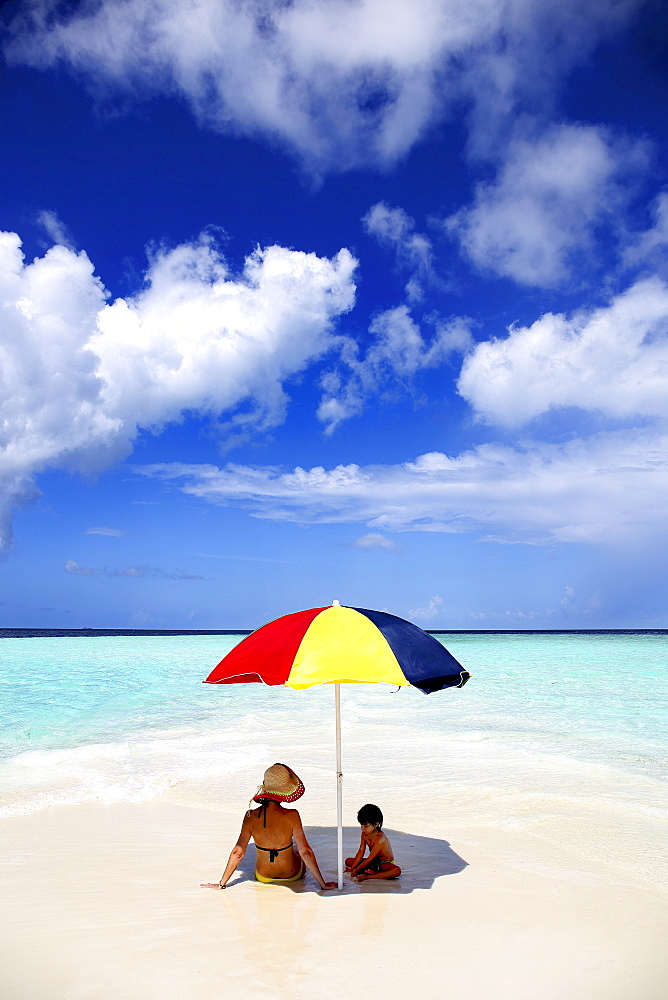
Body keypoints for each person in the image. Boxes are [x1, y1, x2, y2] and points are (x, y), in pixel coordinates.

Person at [201, 763, 337, 891]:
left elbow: (238, 852)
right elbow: (305, 852)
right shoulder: (292, 815)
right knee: (297, 849)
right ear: (285, 790)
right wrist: (323, 885)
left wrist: (221, 884)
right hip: (291, 874)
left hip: (263, 876)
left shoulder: (250, 816)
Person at [345, 803, 401, 881]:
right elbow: (361, 852)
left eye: (366, 826)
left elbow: (370, 858)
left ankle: (369, 876)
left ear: (376, 824)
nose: (362, 828)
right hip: (373, 863)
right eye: (361, 825)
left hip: (384, 863)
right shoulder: (364, 834)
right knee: (348, 861)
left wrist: (357, 870)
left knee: (397, 871)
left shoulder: (380, 838)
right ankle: (371, 870)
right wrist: (353, 868)